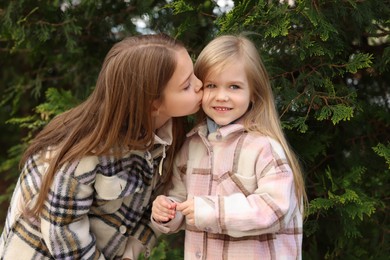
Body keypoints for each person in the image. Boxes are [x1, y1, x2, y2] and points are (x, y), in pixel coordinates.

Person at [0, 33, 203, 260]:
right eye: (186, 85)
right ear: (154, 104)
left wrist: (131, 252)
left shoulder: (169, 136)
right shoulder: (87, 152)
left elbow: (155, 205)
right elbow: (63, 231)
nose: (200, 85)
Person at [151, 34, 307, 260]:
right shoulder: (192, 145)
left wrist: (210, 212)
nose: (221, 96)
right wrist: (167, 210)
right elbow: (181, 199)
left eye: (234, 87)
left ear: (253, 92)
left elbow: (276, 210)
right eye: (211, 85)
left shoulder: (263, 147)